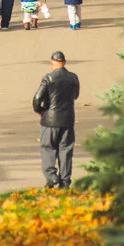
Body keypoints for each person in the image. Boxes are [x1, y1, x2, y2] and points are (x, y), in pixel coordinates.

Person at [32, 50, 80, 189]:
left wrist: (40, 111)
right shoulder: (73, 78)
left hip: (49, 120)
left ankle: (52, 177)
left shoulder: (48, 78)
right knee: (65, 149)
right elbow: (76, 95)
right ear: (64, 62)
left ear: (52, 63)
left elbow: (36, 99)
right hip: (67, 118)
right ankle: (65, 180)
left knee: (48, 147)